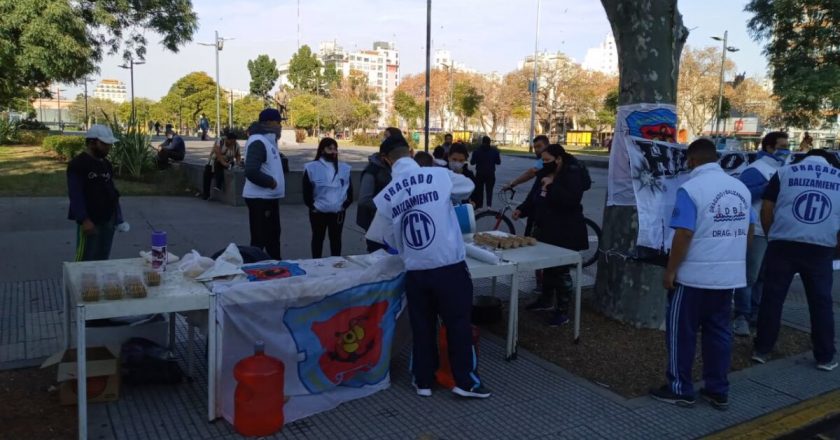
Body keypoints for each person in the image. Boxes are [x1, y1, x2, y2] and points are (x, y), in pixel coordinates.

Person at [366, 135, 490, 399]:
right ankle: (464, 382)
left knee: (422, 326)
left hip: (416, 271)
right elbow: (467, 186)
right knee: (458, 323)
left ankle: (423, 381)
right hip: (449, 266)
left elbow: (383, 237)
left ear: (387, 161)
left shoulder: (386, 195)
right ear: (411, 152)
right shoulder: (438, 175)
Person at [649, 138, 754, 410]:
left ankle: (679, 388)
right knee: (719, 333)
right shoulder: (740, 188)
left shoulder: (691, 189)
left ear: (692, 160)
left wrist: (670, 271)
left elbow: (683, 233)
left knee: (681, 333)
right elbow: (749, 231)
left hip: (693, 277)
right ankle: (717, 390)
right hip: (727, 278)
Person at [753, 149, 840, 372]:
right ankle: (825, 356)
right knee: (820, 302)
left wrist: (772, 235)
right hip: (821, 247)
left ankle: (762, 349)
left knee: (772, 298)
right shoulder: (838, 176)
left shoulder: (784, 172)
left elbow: (767, 208)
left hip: (783, 243)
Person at [513, 144, 589, 325]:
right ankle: (545, 301)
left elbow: (570, 201)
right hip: (546, 228)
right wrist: (522, 210)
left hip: (566, 230)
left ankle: (562, 311)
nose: (545, 164)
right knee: (547, 268)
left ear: (559, 159)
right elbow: (535, 196)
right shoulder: (543, 173)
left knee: (561, 271)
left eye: (548, 160)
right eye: (543, 160)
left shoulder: (571, 174)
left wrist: (552, 185)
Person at [731, 132, 789, 336]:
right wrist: (769, 188)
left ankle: (755, 314)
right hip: (756, 231)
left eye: (788, 145)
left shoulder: (784, 169)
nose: (786, 150)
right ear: (768, 148)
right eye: (782, 146)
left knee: (763, 277)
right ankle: (741, 316)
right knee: (750, 276)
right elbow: (740, 195)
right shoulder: (756, 169)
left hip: (775, 232)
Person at [67, 125, 129, 261]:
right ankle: (81, 282)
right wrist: (84, 220)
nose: (108, 148)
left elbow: (112, 191)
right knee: (86, 258)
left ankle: (99, 282)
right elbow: (75, 194)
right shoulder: (78, 164)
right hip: (90, 220)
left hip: (108, 219)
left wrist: (118, 218)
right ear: (92, 142)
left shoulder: (106, 163)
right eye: (104, 144)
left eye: (109, 144)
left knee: (103, 256)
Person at [243, 109, 286, 260]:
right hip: (260, 199)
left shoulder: (268, 141)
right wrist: (271, 182)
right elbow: (251, 171)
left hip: (268, 198)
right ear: (268, 123)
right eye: (278, 122)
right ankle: (257, 268)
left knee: (273, 238)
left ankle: (275, 267)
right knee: (261, 239)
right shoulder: (258, 141)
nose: (280, 126)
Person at [302, 137, 353, 258]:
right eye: (330, 148)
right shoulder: (311, 167)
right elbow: (306, 190)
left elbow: (349, 190)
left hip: (338, 213)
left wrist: (344, 205)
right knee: (317, 238)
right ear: (322, 150)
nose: (334, 151)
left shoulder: (344, 168)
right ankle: (316, 262)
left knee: (336, 239)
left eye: (335, 148)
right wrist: (312, 206)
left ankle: (335, 263)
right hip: (318, 212)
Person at [357, 136, 400, 252]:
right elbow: (364, 200)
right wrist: (386, 206)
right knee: (377, 256)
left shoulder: (393, 169)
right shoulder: (371, 171)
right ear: (384, 157)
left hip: (391, 222)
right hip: (374, 222)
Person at [202, 131, 242, 199]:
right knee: (207, 173)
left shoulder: (236, 145)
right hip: (215, 160)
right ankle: (206, 195)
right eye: (231, 142)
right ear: (227, 139)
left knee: (221, 168)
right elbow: (218, 153)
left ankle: (218, 185)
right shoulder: (220, 141)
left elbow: (238, 155)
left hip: (228, 162)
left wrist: (238, 163)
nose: (232, 143)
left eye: (234, 141)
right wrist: (224, 163)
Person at [470, 136, 502, 208]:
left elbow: (472, 162)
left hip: (479, 174)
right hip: (490, 173)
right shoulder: (494, 151)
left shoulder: (477, 151)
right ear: (489, 142)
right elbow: (498, 162)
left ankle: (480, 205)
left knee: (479, 190)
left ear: (482, 142)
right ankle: (489, 206)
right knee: (489, 190)